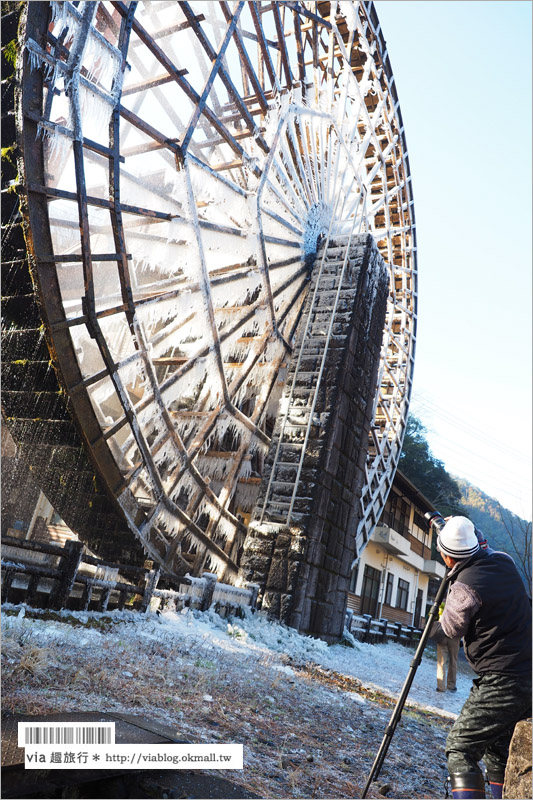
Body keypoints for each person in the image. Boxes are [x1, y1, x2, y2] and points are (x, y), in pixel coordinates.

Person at [430, 516, 531, 800]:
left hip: (502, 679)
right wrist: (461, 526)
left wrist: (434, 619)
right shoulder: (504, 561)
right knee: (499, 748)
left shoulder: (464, 588)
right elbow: (478, 543)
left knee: (460, 748)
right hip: (528, 675)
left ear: (448, 558)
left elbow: (450, 628)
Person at [436, 601, 459, 693]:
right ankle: (451, 685)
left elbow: (433, 615)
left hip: (442, 634)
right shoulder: (459, 606)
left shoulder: (442, 605)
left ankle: (441, 686)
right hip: (454, 636)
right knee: (453, 661)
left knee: (441, 661)